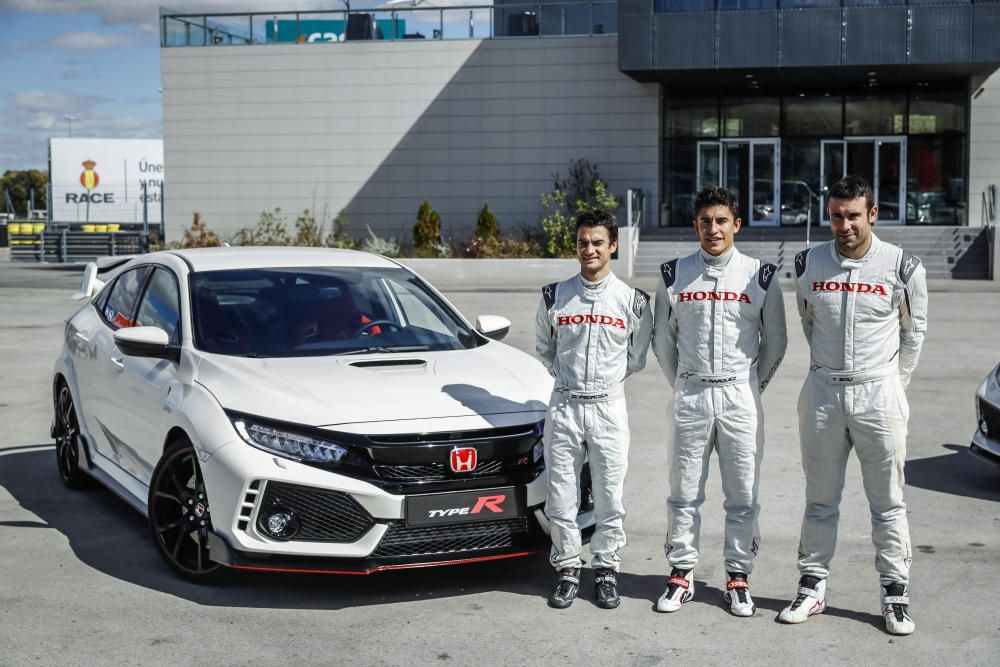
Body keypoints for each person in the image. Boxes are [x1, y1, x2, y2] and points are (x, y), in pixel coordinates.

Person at [778, 175, 928, 636]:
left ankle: (894, 593)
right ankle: (812, 586)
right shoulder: (808, 264)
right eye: (836, 215)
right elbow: (808, 322)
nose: (844, 225)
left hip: (878, 392)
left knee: (887, 502)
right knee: (820, 499)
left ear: (873, 214)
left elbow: (913, 333)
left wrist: (892, 387)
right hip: (823, 392)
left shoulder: (903, 267)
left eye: (853, 215)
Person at [651, 186, 787, 617]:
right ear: (695, 225)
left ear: (737, 225)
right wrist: (684, 383)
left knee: (743, 494)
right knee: (683, 493)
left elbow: (776, 342)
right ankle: (681, 573)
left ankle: (738, 577)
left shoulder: (760, 276)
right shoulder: (673, 274)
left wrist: (750, 385)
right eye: (705, 221)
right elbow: (662, 342)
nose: (713, 229)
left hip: (739, 395)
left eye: (722, 220)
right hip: (690, 393)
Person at [535, 210, 653, 609]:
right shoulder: (555, 296)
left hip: (608, 408)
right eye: (584, 242)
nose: (590, 249)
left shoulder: (633, 301)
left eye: (598, 242)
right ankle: (568, 567)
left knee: (609, 498)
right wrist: (571, 384)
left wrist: (604, 385)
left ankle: (605, 569)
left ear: (613, 246)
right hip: (565, 406)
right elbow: (545, 349)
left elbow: (637, 358)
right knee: (561, 497)